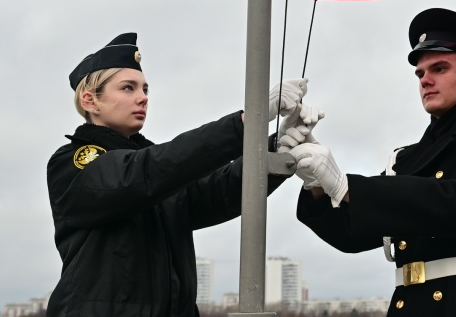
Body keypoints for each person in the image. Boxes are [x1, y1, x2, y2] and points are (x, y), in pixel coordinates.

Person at [289, 9, 456, 316]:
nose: (425, 80)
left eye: (439, 68)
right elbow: (351, 235)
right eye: (420, 74)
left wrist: (347, 186)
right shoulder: (406, 159)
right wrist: (316, 184)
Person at [46, 32, 318, 317]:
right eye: (128, 88)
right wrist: (246, 122)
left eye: (145, 89)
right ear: (90, 101)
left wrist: (273, 151)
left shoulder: (156, 171)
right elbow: (139, 175)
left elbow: (216, 193)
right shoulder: (74, 163)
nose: (142, 98)